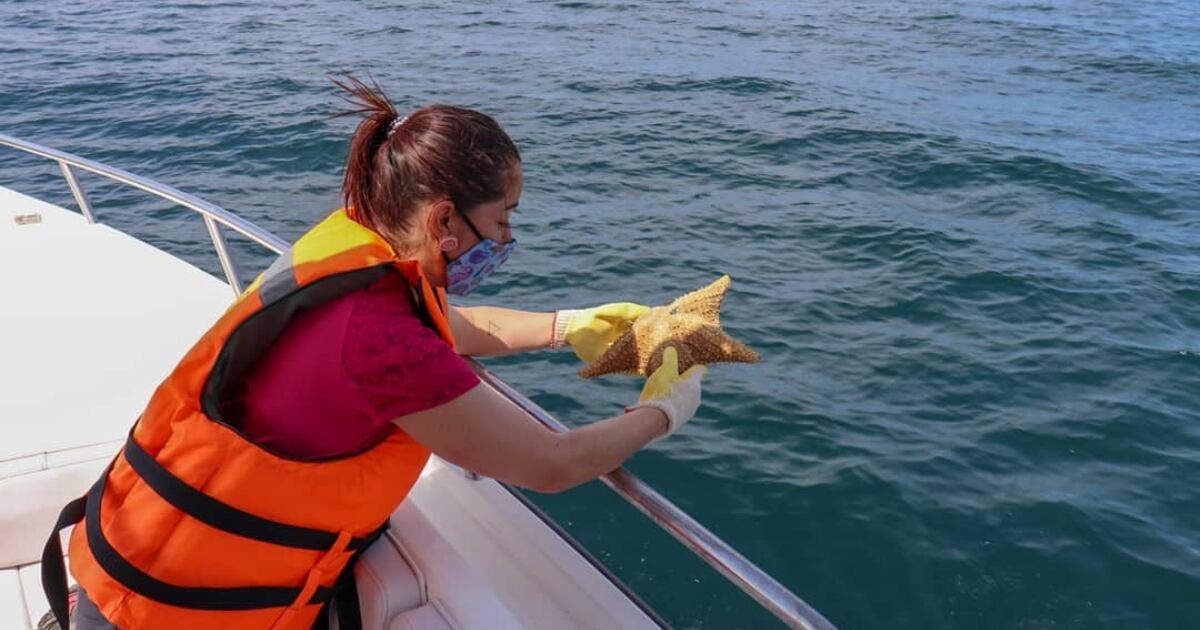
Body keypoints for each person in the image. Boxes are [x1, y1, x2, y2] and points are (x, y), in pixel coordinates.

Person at [41, 77, 706, 630]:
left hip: (129, 565)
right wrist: (664, 411)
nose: (507, 238)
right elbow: (551, 464)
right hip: (164, 616)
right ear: (444, 220)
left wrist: (569, 325)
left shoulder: (358, 250)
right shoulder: (380, 342)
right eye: (503, 218)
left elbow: (453, 329)